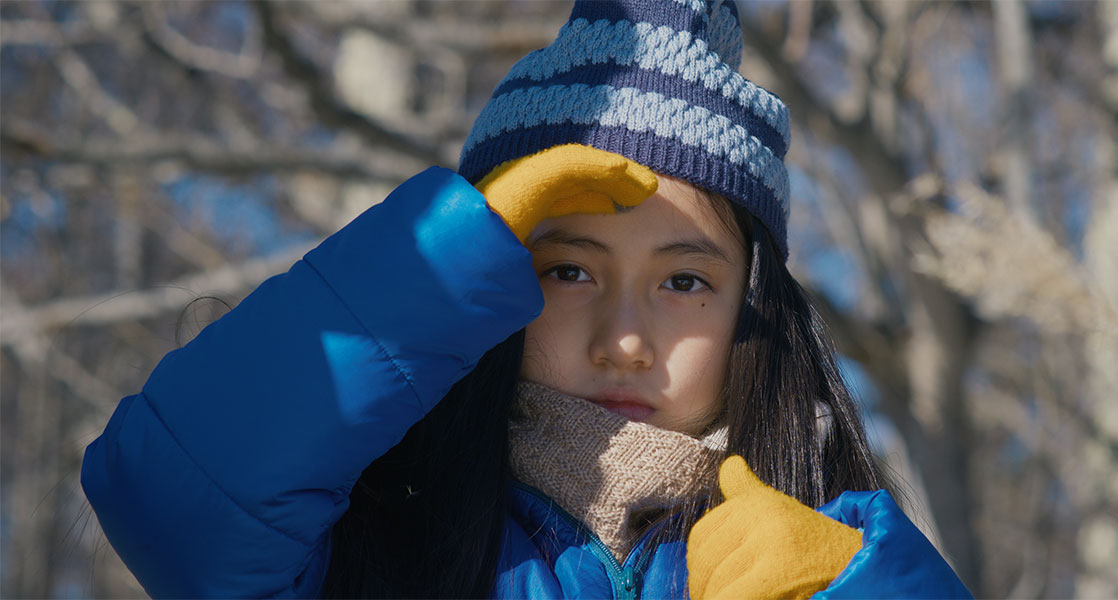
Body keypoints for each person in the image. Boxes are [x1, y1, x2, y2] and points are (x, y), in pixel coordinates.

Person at [82, 1, 973, 598]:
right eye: (568, 270)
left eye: (685, 281)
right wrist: (440, 255)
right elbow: (169, 499)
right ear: (489, 285)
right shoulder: (373, 542)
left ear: (753, 309)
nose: (624, 339)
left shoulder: (821, 560)